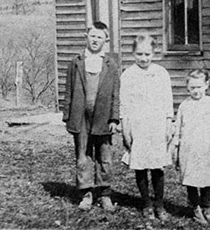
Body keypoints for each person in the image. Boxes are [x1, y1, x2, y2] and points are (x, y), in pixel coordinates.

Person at [63, 21, 120, 211]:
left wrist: (114, 118)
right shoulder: (76, 62)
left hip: (103, 116)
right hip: (81, 116)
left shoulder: (111, 64)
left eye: (99, 37)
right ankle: (86, 194)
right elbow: (69, 90)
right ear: (86, 36)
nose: (95, 40)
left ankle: (105, 194)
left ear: (106, 40)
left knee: (104, 156)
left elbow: (115, 93)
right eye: (92, 35)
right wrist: (68, 116)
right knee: (83, 156)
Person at [120, 33, 174, 220]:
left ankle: (159, 204)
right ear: (133, 53)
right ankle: (146, 204)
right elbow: (124, 105)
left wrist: (169, 123)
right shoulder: (128, 75)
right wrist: (125, 128)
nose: (144, 59)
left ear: (154, 54)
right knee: (141, 166)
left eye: (147, 54)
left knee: (158, 167)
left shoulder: (161, 73)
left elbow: (168, 102)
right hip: (138, 126)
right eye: (140, 54)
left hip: (157, 125)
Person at [172, 68, 210, 225]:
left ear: (206, 85)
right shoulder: (184, 106)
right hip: (188, 150)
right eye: (192, 88)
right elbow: (178, 128)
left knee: (205, 180)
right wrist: (175, 147)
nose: (196, 91)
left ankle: (207, 208)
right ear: (187, 87)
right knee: (191, 179)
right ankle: (196, 209)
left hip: (206, 149)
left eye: (199, 87)